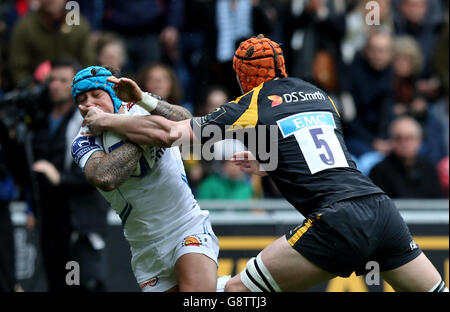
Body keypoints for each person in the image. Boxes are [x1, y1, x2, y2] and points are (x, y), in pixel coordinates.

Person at [82, 34, 448, 293]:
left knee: (237, 290)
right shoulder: (320, 94)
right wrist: (270, 161)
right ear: (283, 65)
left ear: (242, 77)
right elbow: (309, 147)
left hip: (337, 219)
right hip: (381, 209)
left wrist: (111, 120)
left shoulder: (250, 103)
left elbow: (169, 132)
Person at [70, 65, 219, 292]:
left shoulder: (142, 106)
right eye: (81, 99)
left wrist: (133, 106)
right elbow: (105, 176)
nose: (88, 103)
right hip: (144, 247)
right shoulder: (82, 141)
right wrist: (149, 135)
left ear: (112, 92)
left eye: (96, 95)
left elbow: (188, 123)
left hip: (186, 226)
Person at [28, 59, 109, 291]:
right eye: (52, 80)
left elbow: (100, 172)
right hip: (50, 218)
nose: (55, 85)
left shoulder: (89, 120)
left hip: (82, 220)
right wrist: (30, 206)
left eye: (63, 81)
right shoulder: (40, 119)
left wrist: (59, 178)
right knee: (56, 284)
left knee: (86, 284)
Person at [8, 0, 95, 87]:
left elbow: (88, 62)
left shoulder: (77, 23)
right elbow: (19, 69)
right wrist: (32, 89)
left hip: (74, 87)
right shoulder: (25, 27)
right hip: (37, 89)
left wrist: (80, 86)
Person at [369, 116, 443, 198]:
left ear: (419, 141)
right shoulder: (378, 172)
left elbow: (437, 204)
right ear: (391, 141)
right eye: (398, 138)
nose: (404, 143)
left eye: (409, 138)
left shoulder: (429, 170)